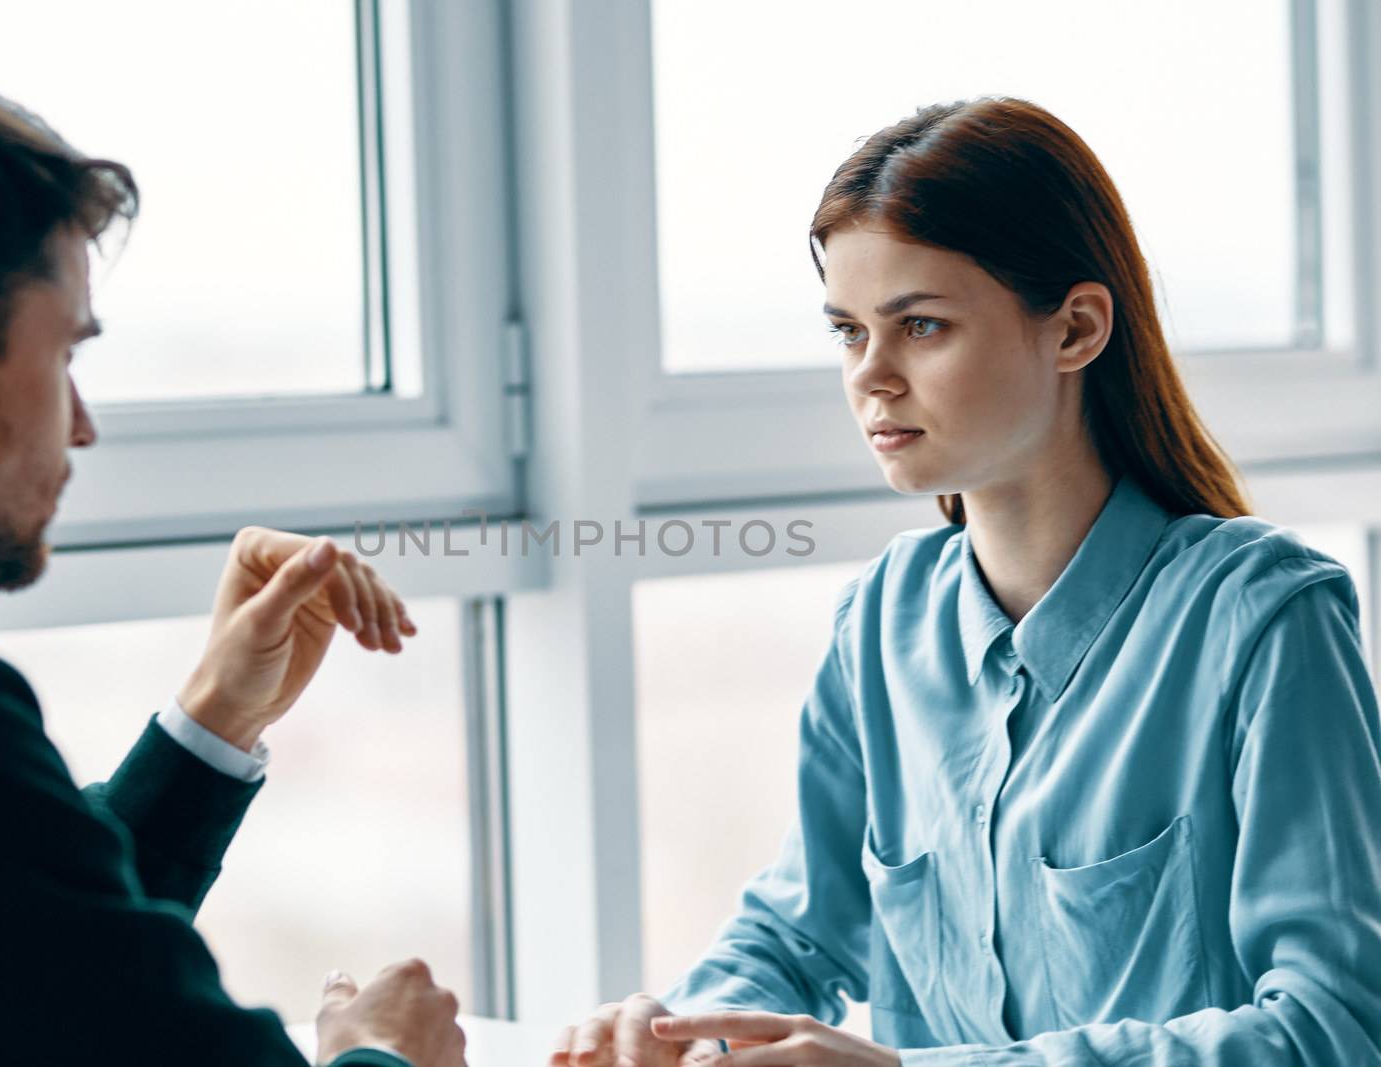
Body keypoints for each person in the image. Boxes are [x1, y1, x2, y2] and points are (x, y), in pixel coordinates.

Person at [554, 97, 1381, 1065]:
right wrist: (669, 1031)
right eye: (847, 331)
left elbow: (1332, 1027)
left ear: (1074, 329)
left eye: (921, 326)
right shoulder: (882, 622)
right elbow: (794, 932)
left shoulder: (1263, 619)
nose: (871, 375)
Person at [0, 65, 467, 1067]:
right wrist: (382, 1050)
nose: (82, 424)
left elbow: (25, 955)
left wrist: (213, 719)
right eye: (65, 354)